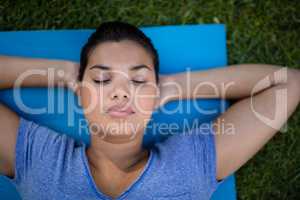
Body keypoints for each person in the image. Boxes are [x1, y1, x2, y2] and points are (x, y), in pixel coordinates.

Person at [0, 21, 299, 200]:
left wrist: (175, 87)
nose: (120, 91)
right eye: (102, 78)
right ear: (80, 93)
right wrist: (65, 74)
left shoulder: (191, 164)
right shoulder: (39, 159)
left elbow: (289, 83)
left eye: (138, 80)